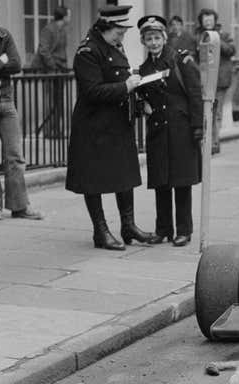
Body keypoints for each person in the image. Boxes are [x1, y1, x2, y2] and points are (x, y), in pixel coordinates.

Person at [65, 5, 153, 251]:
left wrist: (137, 94)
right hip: (93, 125)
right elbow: (92, 91)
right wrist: (126, 87)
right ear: (105, 27)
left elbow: (118, 78)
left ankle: (128, 226)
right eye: (118, 31)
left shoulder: (113, 45)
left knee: (124, 174)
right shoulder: (87, 52)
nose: (122, 36)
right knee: (92, 179)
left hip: (117, 123)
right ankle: (100, 231)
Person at [137, 15, 203, 247]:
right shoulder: (144, 68)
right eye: (149, 39)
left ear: (164, 38)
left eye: (156, 37)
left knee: (181, 182)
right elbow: (140, 97)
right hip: (158, 130)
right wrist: (142, 105)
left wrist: (197, 127)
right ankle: (163, 229)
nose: (153, 42)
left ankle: (184, 230)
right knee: (161, 182)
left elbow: (196, 94)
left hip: (181, 130)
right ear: (144, 42)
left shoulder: (180, 60)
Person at [0, 0, 42, 221]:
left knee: (15, 155)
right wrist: (2, 60)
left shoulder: (4, 35)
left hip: (6, 99)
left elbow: (17, 63)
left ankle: (19, 207)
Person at [195, 8, 236, 155]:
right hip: (202, 80)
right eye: (205, 19)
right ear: (201, 21)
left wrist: (217, 40)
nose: (208, 22)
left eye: (210, 19)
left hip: (220, 80)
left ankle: (214, 143)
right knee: (204, 112)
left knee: (216, 113)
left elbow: (232, 50)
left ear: (215, 20)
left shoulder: (223, 35)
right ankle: (205, 141)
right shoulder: (197, 36)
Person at [31, 5, 70, 139]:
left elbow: (62, 53)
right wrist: (53, 67)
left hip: (60, 70)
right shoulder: (49, 29)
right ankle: (49, 131)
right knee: (52, 103)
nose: (69, 17)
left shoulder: (62, 31)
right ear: (64, 16)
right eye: (68, 15)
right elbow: (44, 50)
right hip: (51, 71)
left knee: (59, 103)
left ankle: (56, 130)